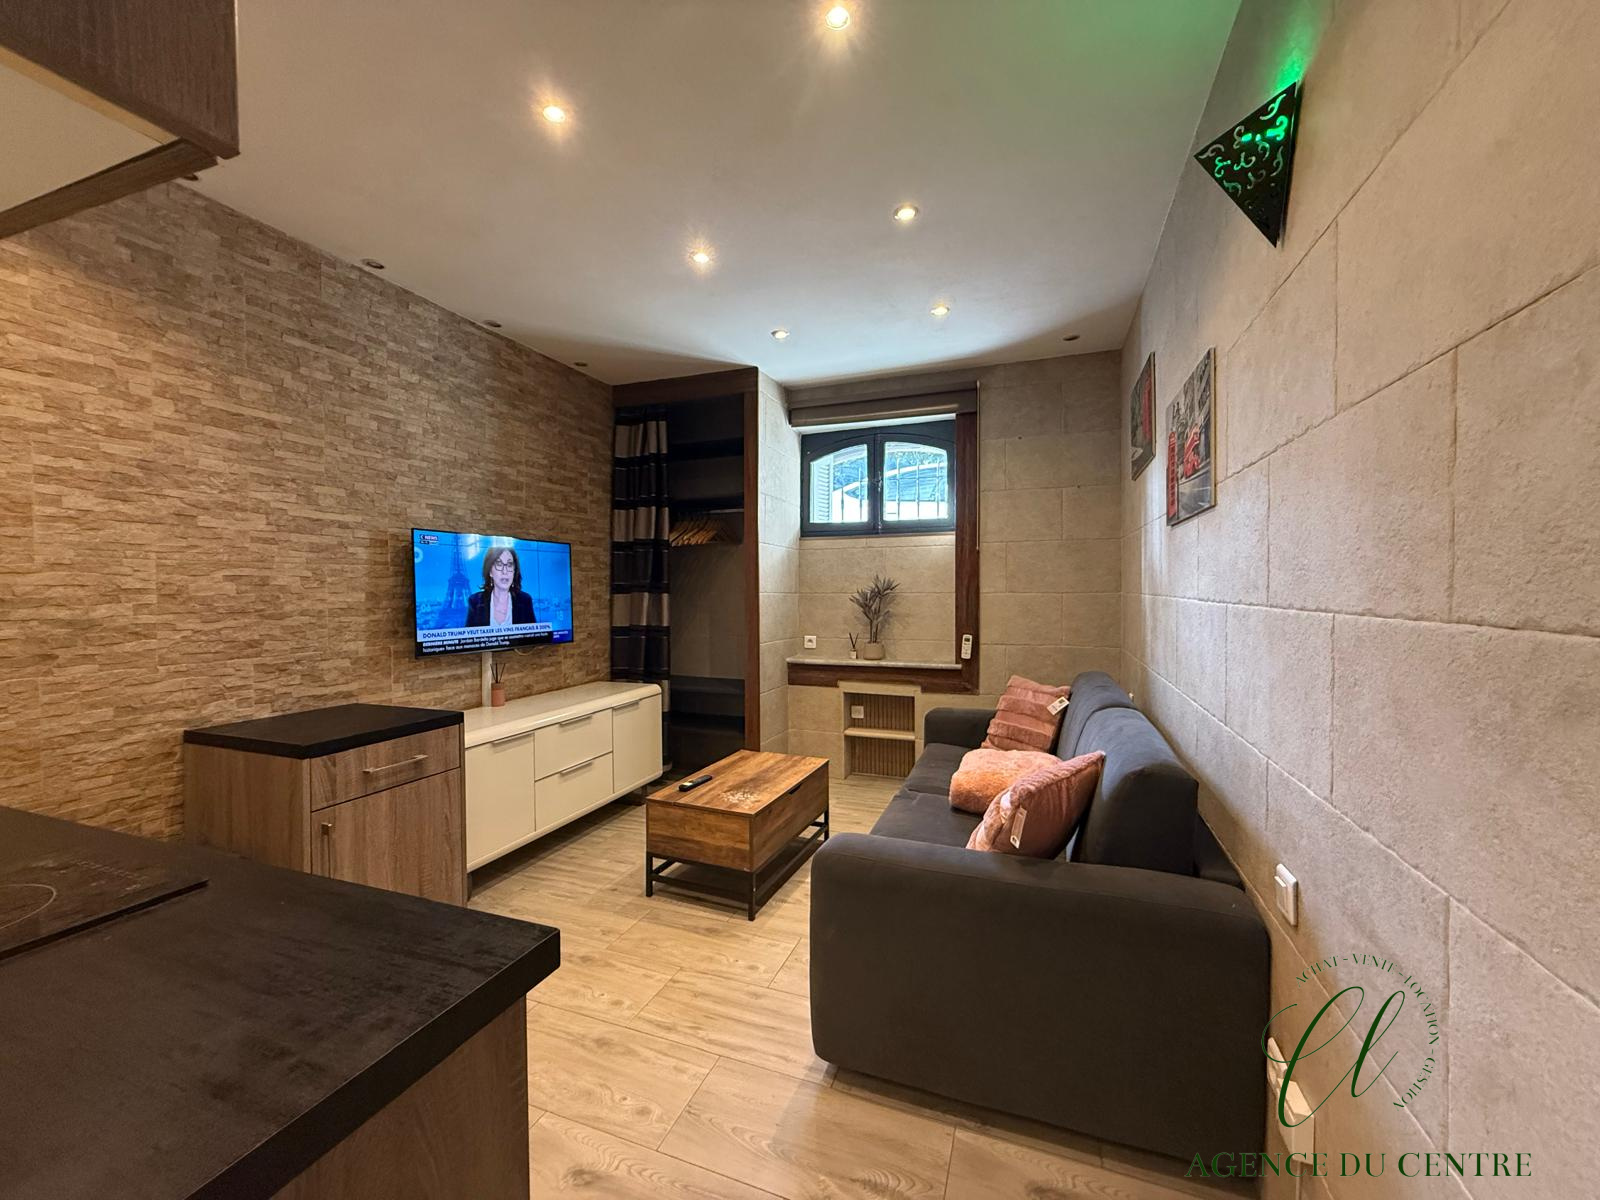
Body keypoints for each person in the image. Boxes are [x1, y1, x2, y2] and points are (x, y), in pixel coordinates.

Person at [465, 546, 537, 627]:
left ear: (514, 571)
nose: (505, 571)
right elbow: (469, 634)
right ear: (490, 571)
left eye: (509, 565)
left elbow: (535, 634)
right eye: (499, 564)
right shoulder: (475, 602)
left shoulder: (525, 600)